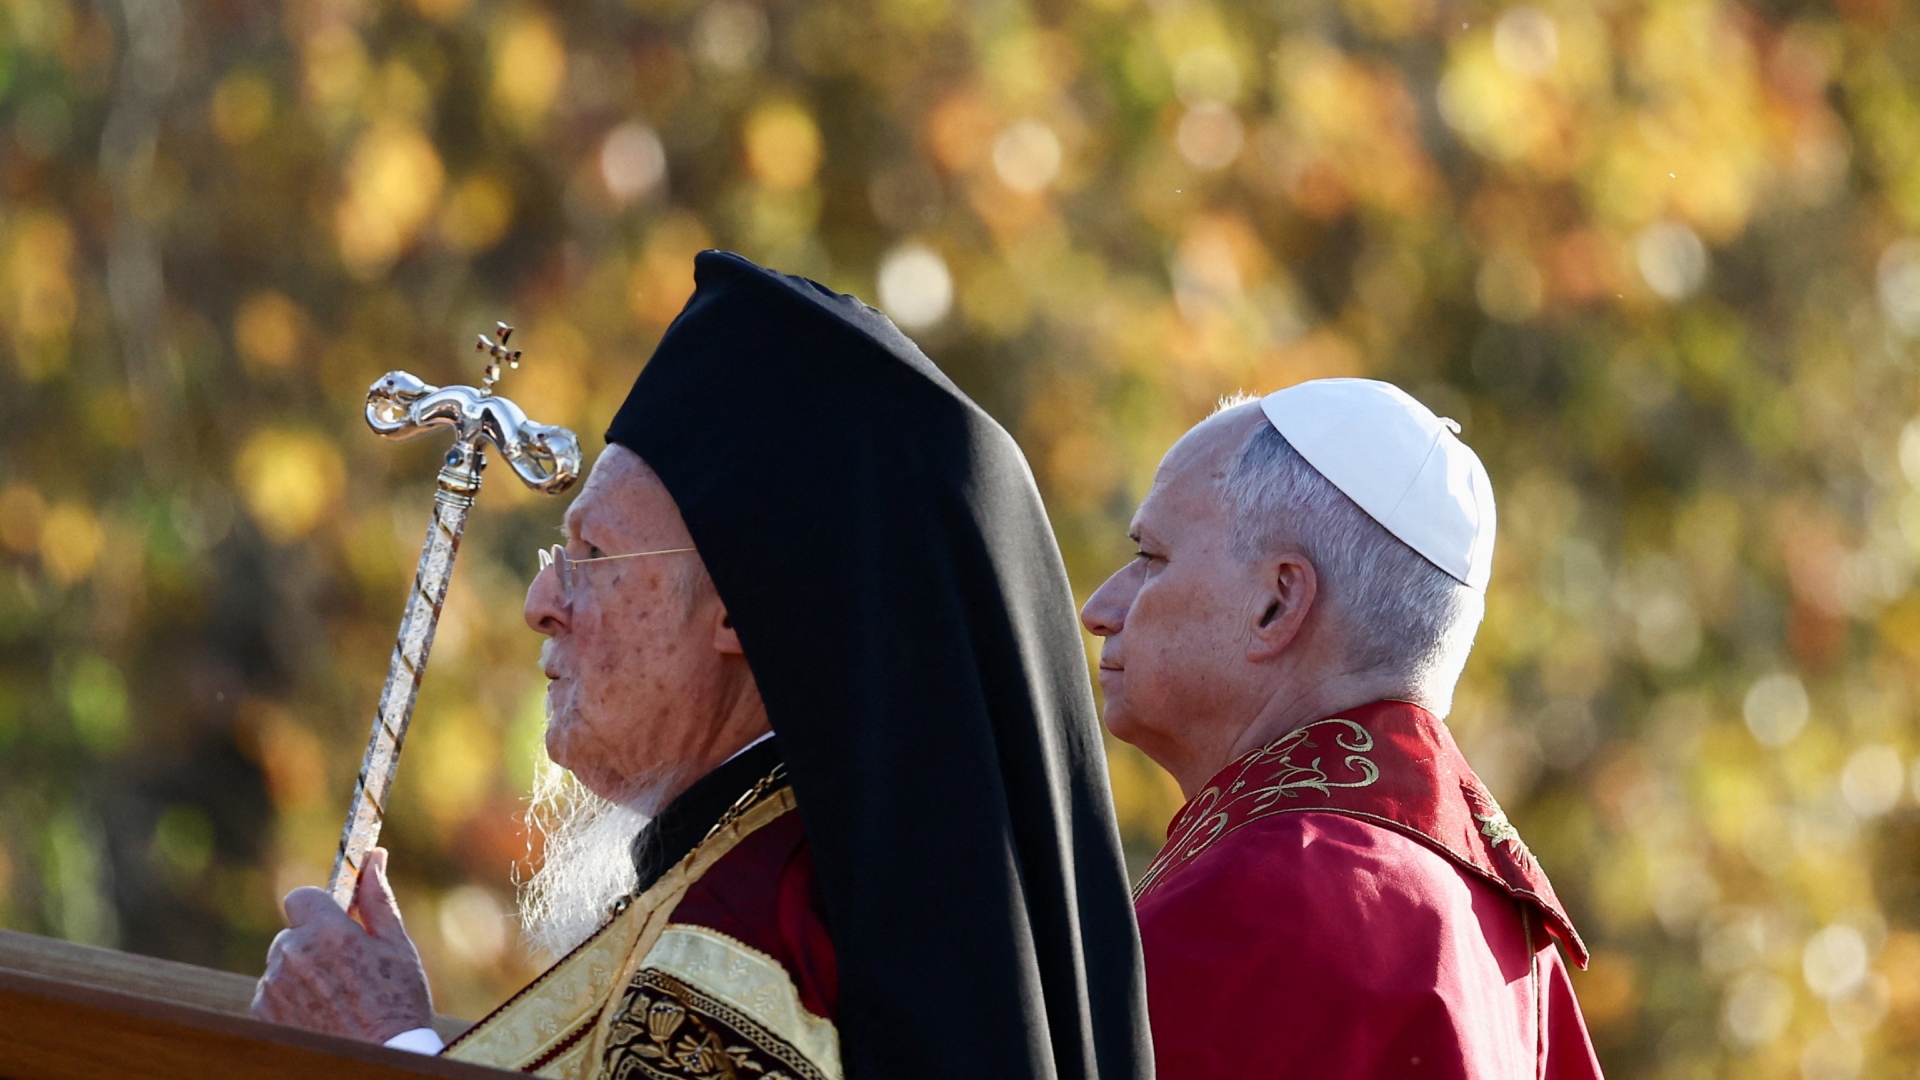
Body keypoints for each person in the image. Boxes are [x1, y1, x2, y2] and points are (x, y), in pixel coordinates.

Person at [252, 250, 1154, 1080]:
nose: (542, 603)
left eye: (592, 556)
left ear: (740, 605)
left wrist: (387, 1047)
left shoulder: (744, 948)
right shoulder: (768, 878)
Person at [1081, 379, 1603, 1079]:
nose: (1100, 607)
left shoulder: (1258, 901)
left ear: (1277, 603)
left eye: (1151, 557)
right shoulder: (1511, 941)